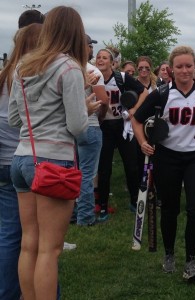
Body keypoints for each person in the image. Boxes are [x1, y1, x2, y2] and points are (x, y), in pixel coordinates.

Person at [132, 45, 195, 282]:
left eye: (189, 66)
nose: (185, 71)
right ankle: (169, 253)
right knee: (170, 208)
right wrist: (141, 142)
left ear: (194, 66)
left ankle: (191, 260)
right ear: (171, 69)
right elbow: (137, 120)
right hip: (168, 157)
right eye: (180, 66)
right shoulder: (162, 94)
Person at [8, 6, 89, 299]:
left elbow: (14, 118)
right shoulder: (69, 68)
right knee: (49, 249)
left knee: (29, 243)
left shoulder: (23, 66)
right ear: (75, 33)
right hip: (53, 161)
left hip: (20, 157)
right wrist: (86, 109)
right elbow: (78, 126)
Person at [0, 23, 42, 300]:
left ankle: (8, 292)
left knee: (8, 234)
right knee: (37, 240)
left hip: (4, 160)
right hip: (29, 159)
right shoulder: (35, 76)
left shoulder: (4, 76)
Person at [95, 48, 148, 221]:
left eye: (105, 58)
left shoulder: (122, 77)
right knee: (104, 168)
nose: (101, 60)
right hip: (104, 126)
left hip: (123, 125)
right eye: (98, 57)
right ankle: (102, 205)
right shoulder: (93, 78)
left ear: (112, 62)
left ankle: (134, 200)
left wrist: (133, 109)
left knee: (131, 165)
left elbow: (144, 92)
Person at [75, 35, 109, 226]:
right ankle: (85, 216)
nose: (92, 50)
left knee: (71, 171)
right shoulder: (92, 70)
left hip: (70, 126)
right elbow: (103, 100)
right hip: (91, 124)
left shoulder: (65, 68)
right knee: (87, 174)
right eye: (89, 46)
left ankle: (71, 213)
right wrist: (102, 115)